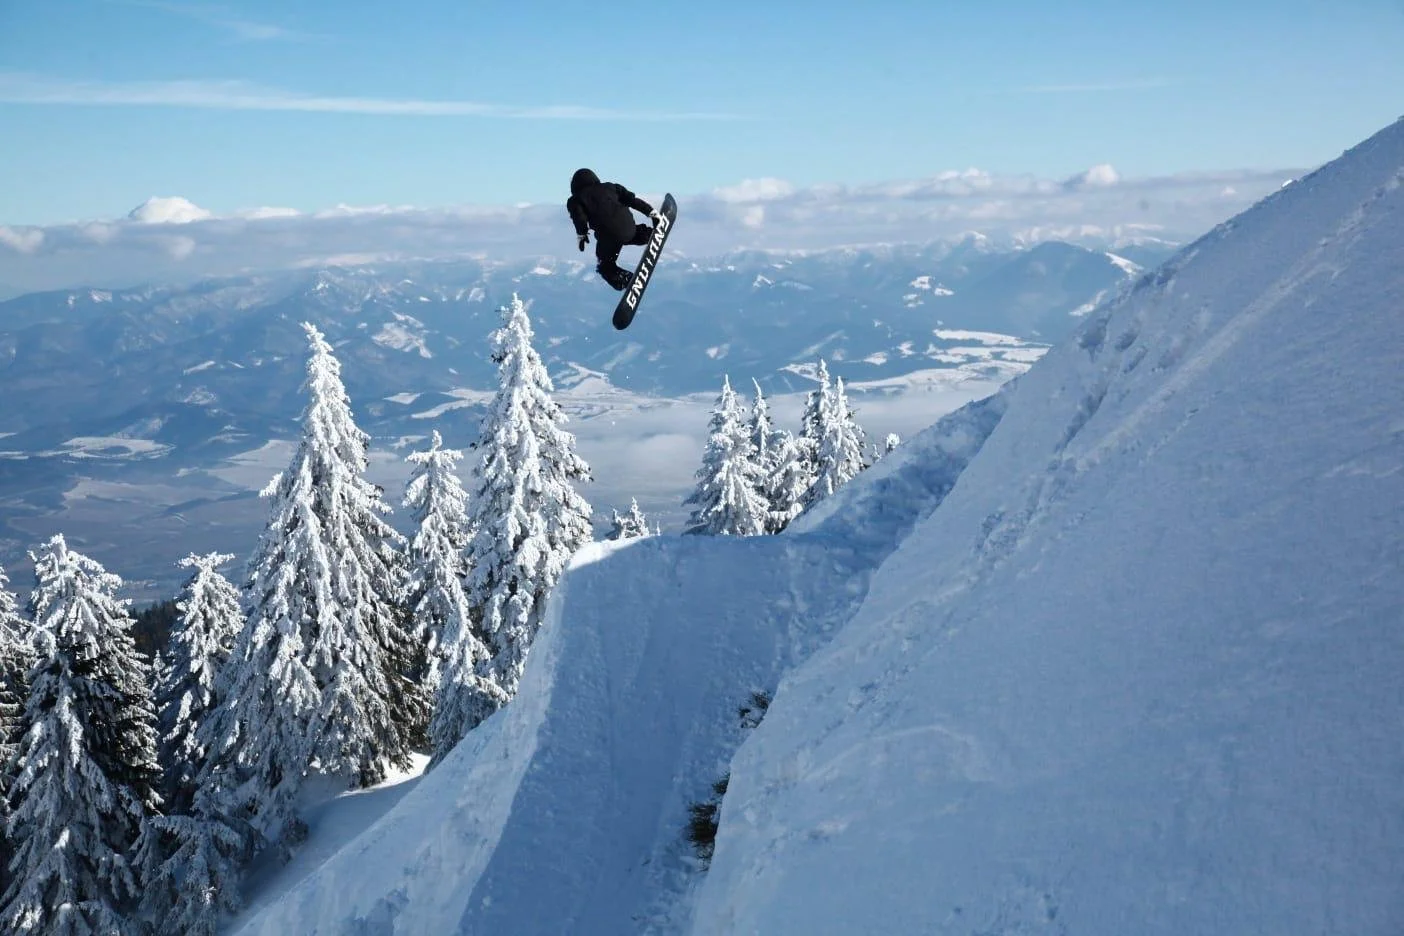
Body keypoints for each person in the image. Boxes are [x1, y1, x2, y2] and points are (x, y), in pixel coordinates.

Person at [567, 168, 662, 290]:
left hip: (609, 238)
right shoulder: (611, 187)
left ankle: (624, 279)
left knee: (605, 265)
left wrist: (582, 235)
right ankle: (648, 235)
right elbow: (633, 201)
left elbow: (579, 219)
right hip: (629, 229)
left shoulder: (575, 200)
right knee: (632, 234)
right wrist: (652, 213)